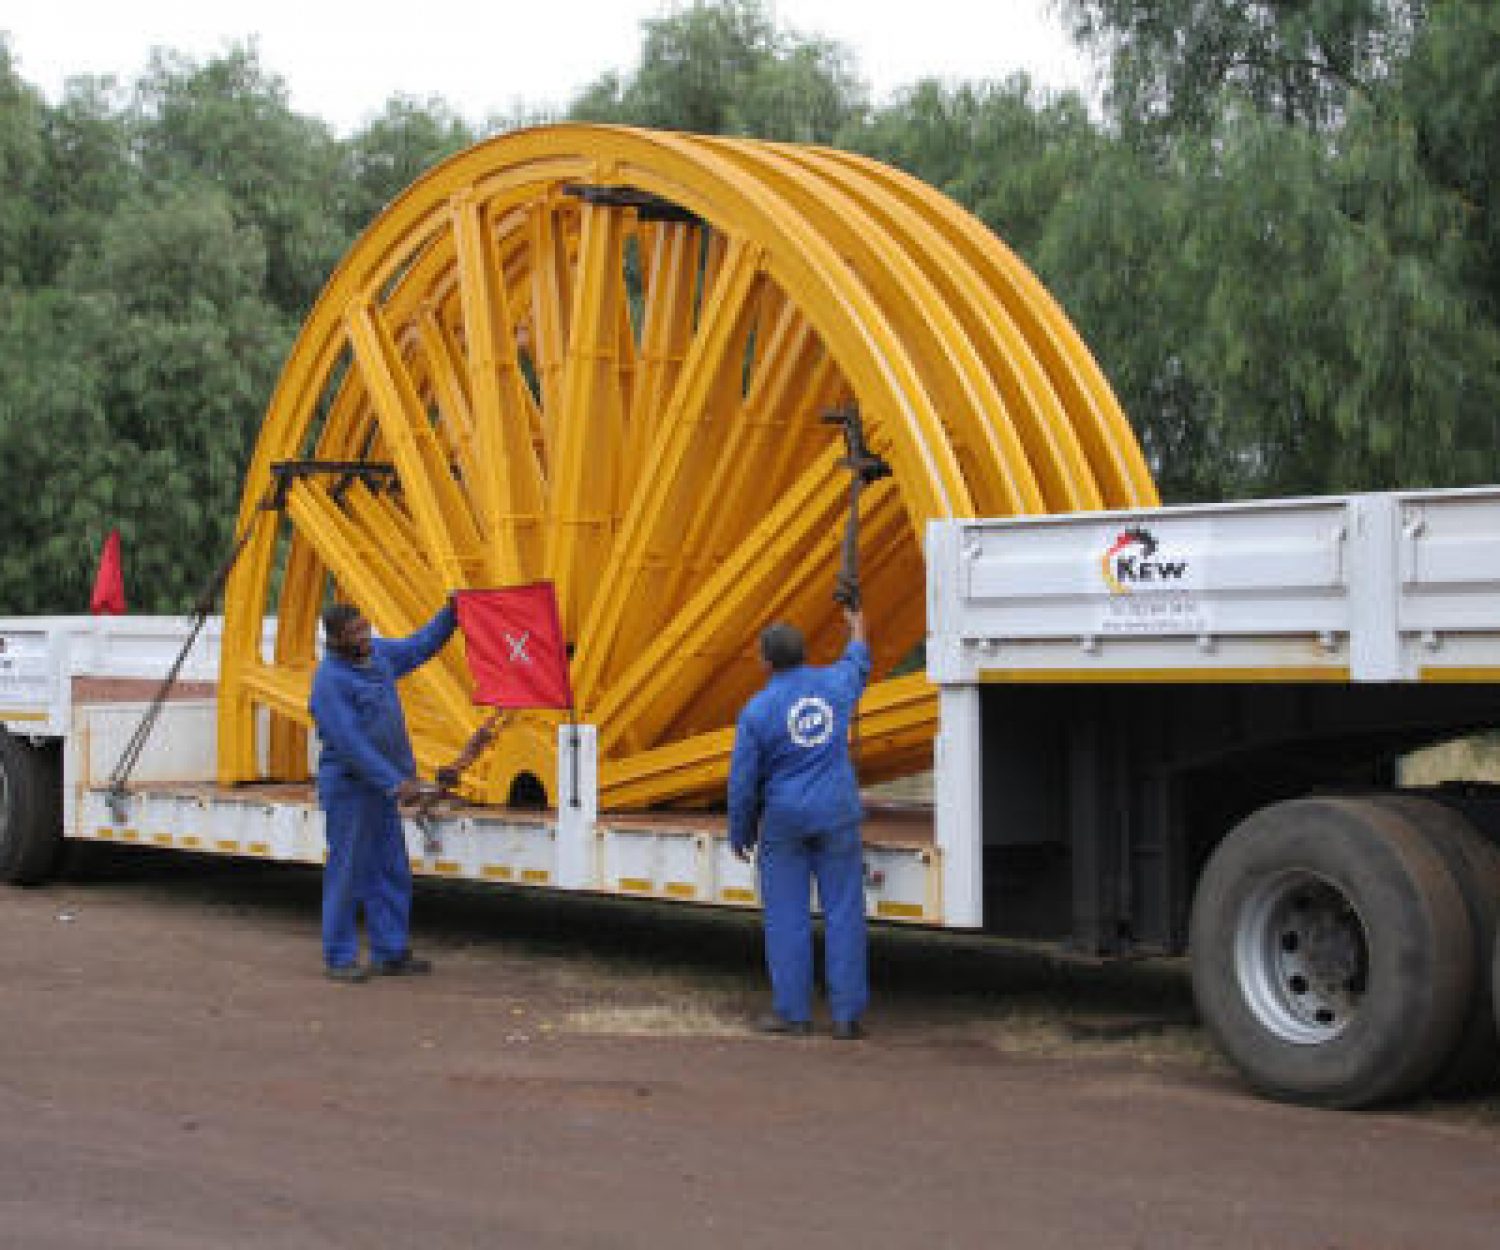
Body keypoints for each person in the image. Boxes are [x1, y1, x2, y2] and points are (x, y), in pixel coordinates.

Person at [727, 605, 871, 1039]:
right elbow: (858, 660)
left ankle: (794, 1014)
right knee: (845, 913)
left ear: (765, 661)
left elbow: (743, 783)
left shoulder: (756, 712)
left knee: (787, 917)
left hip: (785, 821)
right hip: (837, 812)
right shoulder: (833, 684)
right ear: (805, 653)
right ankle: (846, 1017)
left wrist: (740, 831)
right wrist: (857, 623)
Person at [309, 598, 457, 982]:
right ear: (336, 639)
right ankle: (339, 958)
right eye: (355, 632)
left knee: (390, 868)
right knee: (348, 871)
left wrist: (451, 613)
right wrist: (395, 782)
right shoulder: (329, 681)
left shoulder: (379, 656)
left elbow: (419, 645)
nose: (364, 636)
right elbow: (350, 743)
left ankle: (389, 952)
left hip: (381, 789)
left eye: (365, 627)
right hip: (350, 788)